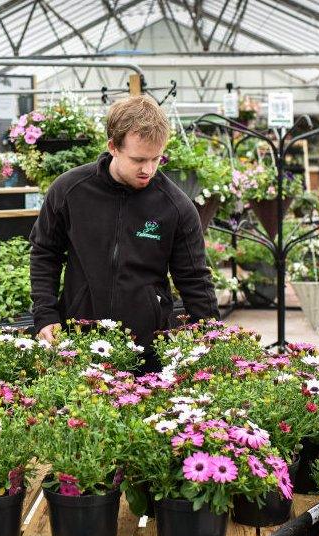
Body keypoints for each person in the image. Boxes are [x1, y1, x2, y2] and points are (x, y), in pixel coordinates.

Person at [29, 95, 218, 371]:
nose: (148, 169)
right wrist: (45, 315)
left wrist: (211, 337)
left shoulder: (176, 207)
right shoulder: (70, 191)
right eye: (139, 159)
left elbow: (194, 278)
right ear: (113, 147)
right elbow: (45, 252)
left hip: (148, 349)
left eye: (156, 158)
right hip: (78, 342)